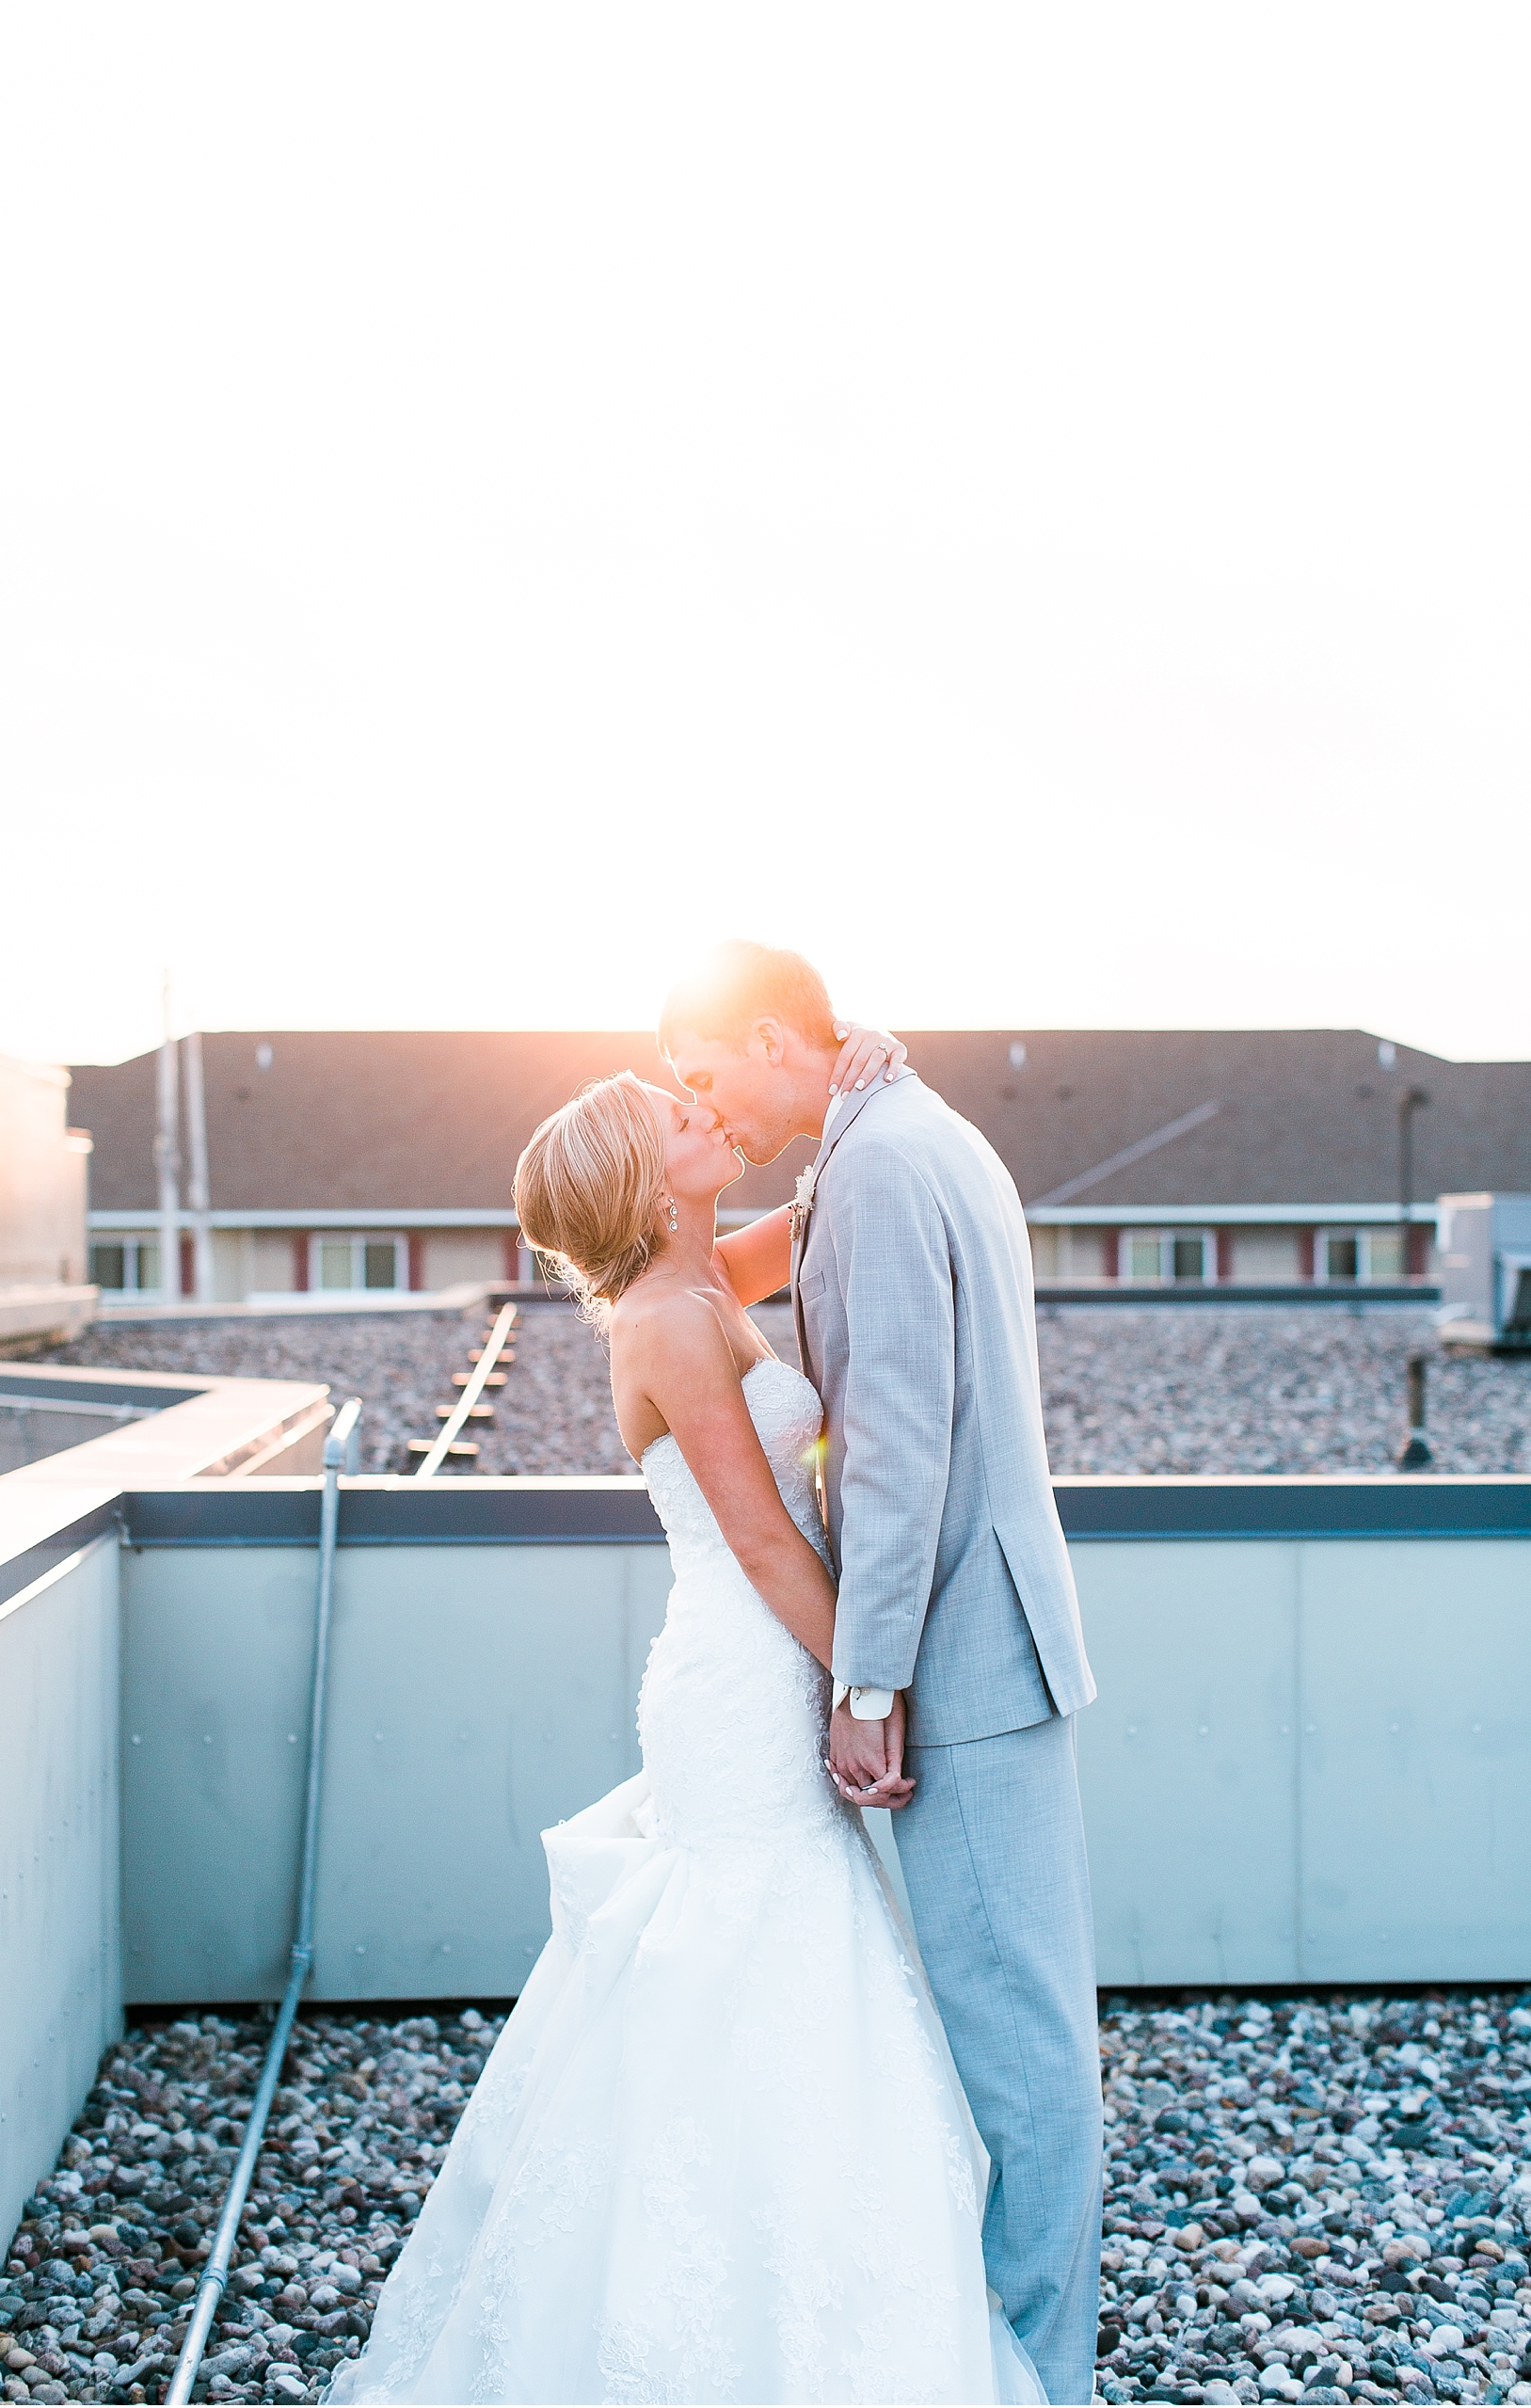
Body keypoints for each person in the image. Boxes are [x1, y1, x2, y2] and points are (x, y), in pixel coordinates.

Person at [329, 1007, 1046, 2407]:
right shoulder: (662, 1320)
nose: (703, 1109)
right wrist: (870, 1686)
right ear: (647, 1181)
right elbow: (769, 1540)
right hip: (741, 1680)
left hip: (766, 1658)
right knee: (747, 1970)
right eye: (677, 1116)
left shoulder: (704, 1276)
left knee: (790, 1967)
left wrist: (856, 1077)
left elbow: (827, 1197)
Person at [660, 944, 1103, 2406]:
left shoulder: (886, 1168)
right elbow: (739, 1266)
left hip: (965, 1660)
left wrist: (866, 1688)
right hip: (991, 1640)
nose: (700, 1098)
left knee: (1018, 2047)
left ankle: (1036, 2374)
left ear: (782, 1033)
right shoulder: (895, 1131)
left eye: (708, 1069)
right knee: (1017, 2020)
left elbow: (897, 1454)